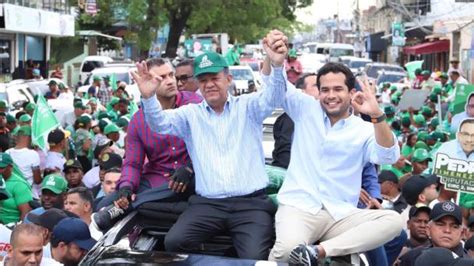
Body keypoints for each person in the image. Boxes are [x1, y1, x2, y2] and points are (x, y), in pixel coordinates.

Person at [135, 30, 288, 260]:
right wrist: (148, 97)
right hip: (208, 205)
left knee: (255, 256)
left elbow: (274, 97)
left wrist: (276, 65)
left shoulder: (249, 107)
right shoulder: (190, 115)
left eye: (215, 78)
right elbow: (159, 124)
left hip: (251, 205)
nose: (209, 85)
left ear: (228, 79)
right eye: (203, 80)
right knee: (174, 242)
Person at [262, 56, 402, 263]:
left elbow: (388, 155)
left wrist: (376, 115)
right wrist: (274, 61)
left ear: (351, 93)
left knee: (393, 221)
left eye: (338, 89)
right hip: (300, 208)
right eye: (325, 90)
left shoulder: (364, 129)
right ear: (318, 93)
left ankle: (317, 252)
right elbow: (276, 86)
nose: (331, 96)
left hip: (341, 214)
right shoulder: (304, 110)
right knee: (287, 252)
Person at [93, 57, 202, 230]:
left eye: (171, 75)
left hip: (193, 175)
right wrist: (126, 187)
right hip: (156, 179)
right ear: (147, 83)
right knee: (102, 205)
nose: (170, 81)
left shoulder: (196, 105)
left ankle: (133, 205)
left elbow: (211, 146)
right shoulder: (138, 120)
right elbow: (133, 163)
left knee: (129, 205)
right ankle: (133, 202)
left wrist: (190, 167)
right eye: (161, 78)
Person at [271, 73, 318, 169]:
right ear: (302, 92)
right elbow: (284, 158)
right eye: (316, 85)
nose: (322, 90)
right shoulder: (290, 119)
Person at [399, 201, 468, 265]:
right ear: (428, 230)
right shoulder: (412, 257)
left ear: (462, 233)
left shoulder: (469, 262)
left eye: (454, 226)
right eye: (440, 224)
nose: (447, 230)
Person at [5, 126, 41, 198]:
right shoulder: (33, 154)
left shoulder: (7, 153)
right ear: (28, 137)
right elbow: (37, 180)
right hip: (28, 192)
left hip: (10, 192)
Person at [0, 153, 32, 224]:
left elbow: (25, 213)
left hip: (11, 225)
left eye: (2, 168)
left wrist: (17, 230)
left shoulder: (19, 185)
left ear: (10, 167)